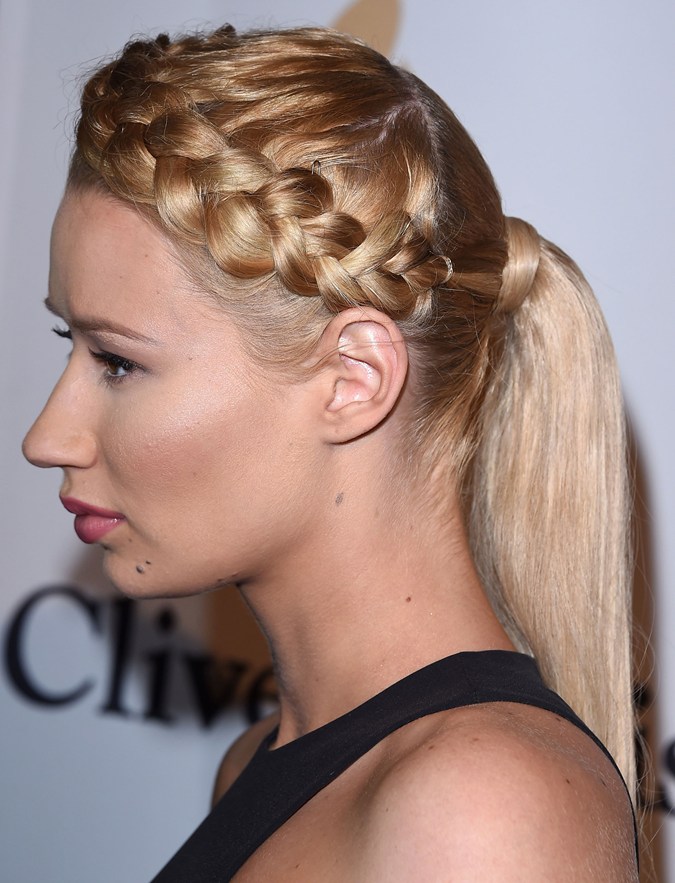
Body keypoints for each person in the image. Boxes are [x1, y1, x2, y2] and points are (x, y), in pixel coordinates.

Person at [22, 24, 640, 881]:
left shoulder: (480, 808)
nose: (45, 438)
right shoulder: (261, 765)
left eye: (117, 361)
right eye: (72, 344)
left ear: (353, 378)